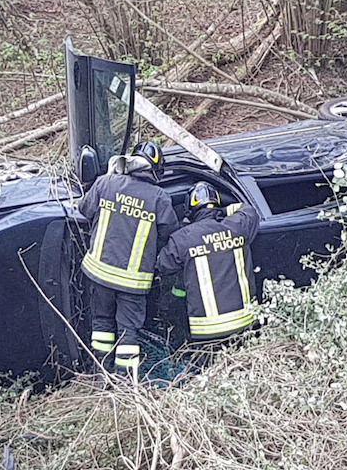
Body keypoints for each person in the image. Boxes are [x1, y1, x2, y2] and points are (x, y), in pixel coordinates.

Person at [78, 141, 178, 383]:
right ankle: (125, 385)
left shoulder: (106, 183)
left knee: (101, 325)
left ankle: (101, 378)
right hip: (133, 283)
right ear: (155, 170)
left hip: (99, 274)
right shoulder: (159, 198)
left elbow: (84, 209)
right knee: (128, 332)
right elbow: (169, 233)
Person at [156, 182, 260, 351]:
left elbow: (162, 265)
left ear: (190, 209)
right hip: (245, 324)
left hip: (207, 332)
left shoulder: (183, 238)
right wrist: (224, 211)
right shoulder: (237, 226)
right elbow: (248, 209)